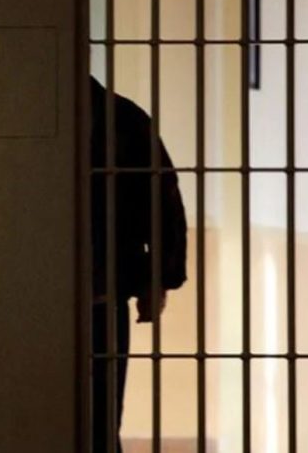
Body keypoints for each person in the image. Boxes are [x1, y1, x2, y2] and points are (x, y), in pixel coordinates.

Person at [91, 76, 188, 452]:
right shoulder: (121, 116)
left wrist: (159, 278)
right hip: (103, 290)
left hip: (72, 292)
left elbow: (162, 199)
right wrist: (159, 278)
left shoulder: (16, 118)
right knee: (99, 421)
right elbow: (163, 200)